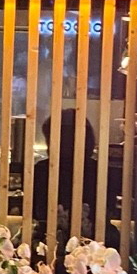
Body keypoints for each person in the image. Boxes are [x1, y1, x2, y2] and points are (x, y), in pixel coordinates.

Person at [31, 109, 97, 254]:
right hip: (93, 246)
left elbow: (36, 212)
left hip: (48, 244)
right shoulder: (99, 171)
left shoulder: (42, 170)